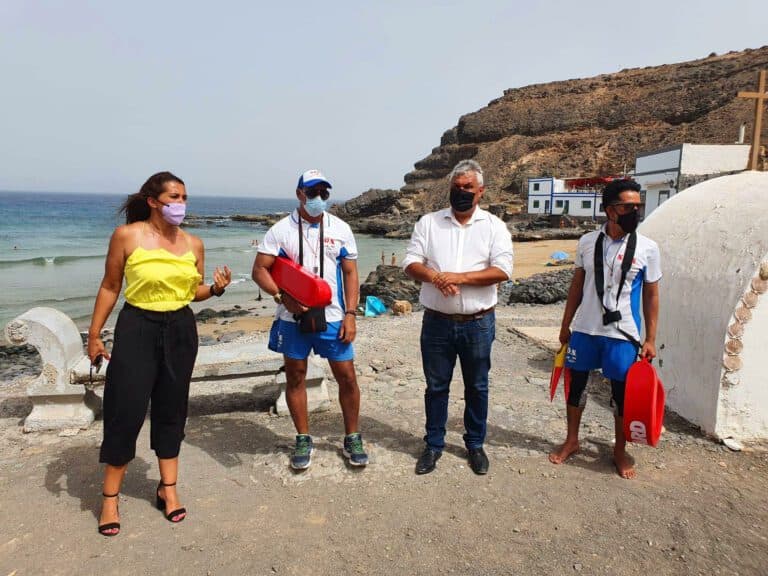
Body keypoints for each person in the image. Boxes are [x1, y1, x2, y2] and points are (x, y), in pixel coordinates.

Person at [87, 171, 231, 536]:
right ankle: (109, 497)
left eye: (184, 198)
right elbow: (110, 286)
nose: (180, 205)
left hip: (181, 330)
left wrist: (214, 290)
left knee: (172, 409)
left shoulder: (193, 244)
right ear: (153, 201)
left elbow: (192, 292)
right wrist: (94, 334)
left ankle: (168, 489)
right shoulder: (127, 236)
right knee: (125, 409)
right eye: (173, 197)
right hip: (137, 327)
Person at [252, 169, 367, 470]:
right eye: (313, 192)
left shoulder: (341, 229)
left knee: (347, 377)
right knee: (296, 376)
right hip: (292, 319)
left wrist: (351, 315)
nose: (319, 198)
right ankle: (303, 437)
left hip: (333, 317)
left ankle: (352, 436)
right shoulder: (280, 230)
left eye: (324, 193)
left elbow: (351, 273)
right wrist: (281, 297)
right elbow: (260, 270)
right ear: (299, 193)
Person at [403, 160, 513, 475]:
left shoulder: (494, 226)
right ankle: (434, 445)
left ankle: (475, 445)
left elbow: (502, 270)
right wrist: (435, 276)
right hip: (437, 322)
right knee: (436, 387)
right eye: (457, 186)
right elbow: (411, 262)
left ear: (480, 191)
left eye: (468, 187)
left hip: (478, 323)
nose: (462, 192)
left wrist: (459, 277)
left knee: (477, 386)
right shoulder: (429, 223)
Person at [549, 178, 660, 479]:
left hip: (622, 334)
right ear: (610, 210)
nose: (635, 211)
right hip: (585, 330)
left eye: (638, 206)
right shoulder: (587, 242)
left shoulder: (648, 248)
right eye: (628, 206)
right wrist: (565, 325)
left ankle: (619, 451)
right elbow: (576, 287)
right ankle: (572, 440)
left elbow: (651, 294)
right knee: (576, 389)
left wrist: (650, 338)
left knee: (622, 396)